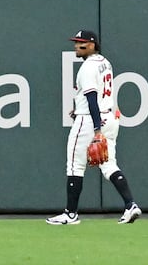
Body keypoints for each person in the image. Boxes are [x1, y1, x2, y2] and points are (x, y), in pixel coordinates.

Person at [46, 29, 141, 226]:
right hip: (110, 117)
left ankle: (70, 214)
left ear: (92, 45)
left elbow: (91, 98)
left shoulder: (87, 68)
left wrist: (96, 128)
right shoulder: (105, 63)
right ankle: (130, 205)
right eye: (76, 42)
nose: (76, 46)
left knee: (75, 164)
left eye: (81, 43)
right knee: (109, 164)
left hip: (91, 120)